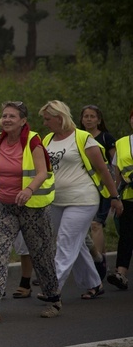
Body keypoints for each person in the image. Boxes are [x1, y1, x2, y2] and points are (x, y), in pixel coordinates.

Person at [0, 101, 61, 323]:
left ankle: (54, 299)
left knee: (41, 254)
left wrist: (29, 190)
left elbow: (42, 172)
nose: (7, 119)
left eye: (12, 116)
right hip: (3, 206)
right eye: (4, 116)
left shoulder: (33, 141)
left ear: (23, 121)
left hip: (32, 207)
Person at [40, 100, 123, 300]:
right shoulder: (47, 140)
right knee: (74, 242)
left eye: (47, 119)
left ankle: (52, 287)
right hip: (56, 200)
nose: (44, 123)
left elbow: (103, 170)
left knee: (66, 241)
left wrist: (114, 197)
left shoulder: (83, 138)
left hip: (82, 199)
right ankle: (94, 283)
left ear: (59, 118)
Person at [79, 104, 117, 279]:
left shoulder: (105, 137)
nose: (88, 119)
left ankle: (100, 264)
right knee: (83, 227)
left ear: (99, 120)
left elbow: (114, 161)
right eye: (85, 116)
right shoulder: (78, 138)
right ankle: (92, 260)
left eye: (92, 116)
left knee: (96, 224)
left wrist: (114, 186)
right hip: (83, 186)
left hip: (103, 185)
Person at [107, 107, 131, 291]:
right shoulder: (122, 143)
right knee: (126, 235)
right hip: (128, 196)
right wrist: (115, 197)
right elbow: (116, 173)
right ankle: (121, 273)